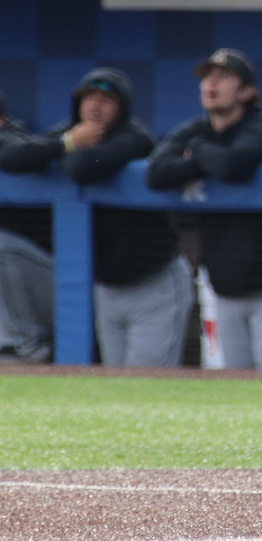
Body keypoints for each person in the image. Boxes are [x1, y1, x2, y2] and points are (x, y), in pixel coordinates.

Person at [0, 68, 188, 367]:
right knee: (113, 388)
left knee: (147, 389)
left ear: (122, 107)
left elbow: (82, 167)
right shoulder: (70, 132)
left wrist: (68, 144)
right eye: (88, 97)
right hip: (105, 288)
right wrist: (64, 142)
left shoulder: (135, 136)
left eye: (106, 99)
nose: (95, 107)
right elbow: (14, 155)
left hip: (154, 284)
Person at [146, 49, 262, 370]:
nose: (211, 84)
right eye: (207, 77)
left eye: (223, 77)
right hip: (223, 285)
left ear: (246, 91)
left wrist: (198, 154)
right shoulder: (194, 129)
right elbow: (156, 172)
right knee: (233, 386)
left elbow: (235, 165)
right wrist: (205, 160)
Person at [0, 91, 55, 364]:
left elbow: (15, 154)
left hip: (52, 279)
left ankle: (24, 341)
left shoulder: (11, 137)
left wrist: (67, 143)